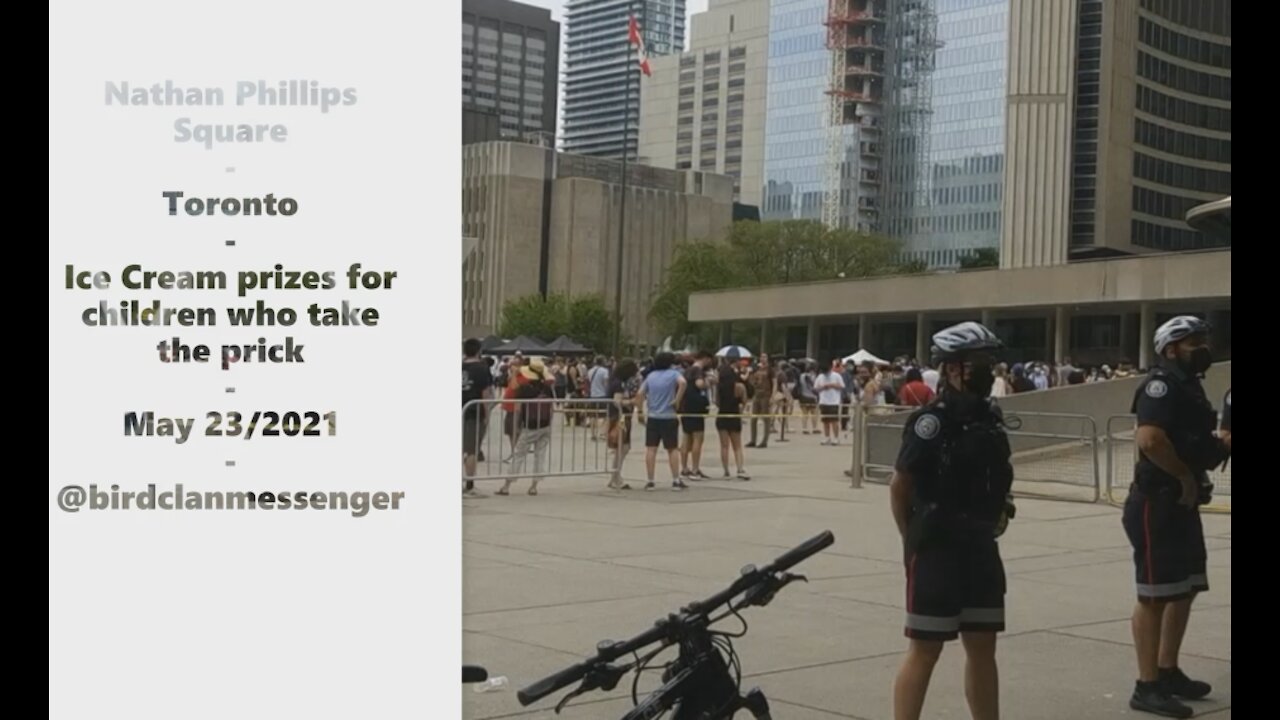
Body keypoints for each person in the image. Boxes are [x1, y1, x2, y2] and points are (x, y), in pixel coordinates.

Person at [890, 321, 1016, 720]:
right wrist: (910, 542)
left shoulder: (989, 419)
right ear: (951, 368)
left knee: (983, 645)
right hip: (937, 549)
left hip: (979, 546)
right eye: (976, 362)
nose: (985, 369)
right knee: (925, 648)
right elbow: (900, 485)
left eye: (987, 361)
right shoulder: (932, 423)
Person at [1121, 316, 1230, 718]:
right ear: (1169, 349)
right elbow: (1150, 439)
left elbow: (1193, 441)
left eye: (1203, 339)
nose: (1202, 347)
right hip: (1157, 501)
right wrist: (1183, 476)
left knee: (1183, 588)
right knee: (1153, 595)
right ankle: (1146, 685)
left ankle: (1167, 671)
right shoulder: (1160, 384)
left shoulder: (1189, 386)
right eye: (1192, 341)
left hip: (1180, 502)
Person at [498, 359, 557, 496]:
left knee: (518, 455)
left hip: (529, 426)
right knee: (540, 455)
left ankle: (507, 485)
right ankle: (534, 486)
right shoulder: (547, 388)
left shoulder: (525, 388)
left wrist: (517, 426)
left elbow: (517, 408)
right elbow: (552, 408)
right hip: (545, 425)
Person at [635, 352, 688, 491]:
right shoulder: (673, 374)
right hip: (669, 415)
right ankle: (676, 480)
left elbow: (640, 393)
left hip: (653, 415)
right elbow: (683, 383)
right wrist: (677, 399)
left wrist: (640, 411)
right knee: (672, 449)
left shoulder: (650, 376)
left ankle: (650, 480)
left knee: (651, 449)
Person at [462, 339, 494, 498]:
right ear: (478, 351)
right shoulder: (482, 368)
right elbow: (485, 393)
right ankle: (469, 484)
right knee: (472, 449)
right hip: (474, 412)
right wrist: (487, 414)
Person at [606, 360, 640, 490]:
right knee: (622, 447)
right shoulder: (618, 384)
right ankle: (616, 476)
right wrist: (631, 401)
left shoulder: (615, 382)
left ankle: (615, 476)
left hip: (620, 416)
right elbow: (617, 402)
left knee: (622, 448)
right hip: (620, 417)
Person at [680, 351, 714, 480]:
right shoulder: (698, 371)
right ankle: (695, 469)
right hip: (696, 406)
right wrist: (708, 383)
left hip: (686, 406)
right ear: (705, 359)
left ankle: (684, 468)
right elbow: (699, 384)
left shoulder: (687, 371)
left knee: (686, 437)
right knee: (697, 438)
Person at [715, 360, 750, 480]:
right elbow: (745, 401)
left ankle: (726, 471)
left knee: (724, 446)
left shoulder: (719, 387)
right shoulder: (739, 387)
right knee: (737, 446)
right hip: (734, 416)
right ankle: (740, 468)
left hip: (722, 416)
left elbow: (717, 402)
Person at [817, 359, 846, 445]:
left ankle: (836, 438)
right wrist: (822, 387)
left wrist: (832, 385)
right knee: (825, 421)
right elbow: (816, 388)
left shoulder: (836, 376)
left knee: (834, 421)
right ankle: (827, 437)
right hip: (823, 401)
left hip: (833, 402)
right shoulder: (820, 377)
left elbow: (842, 386)